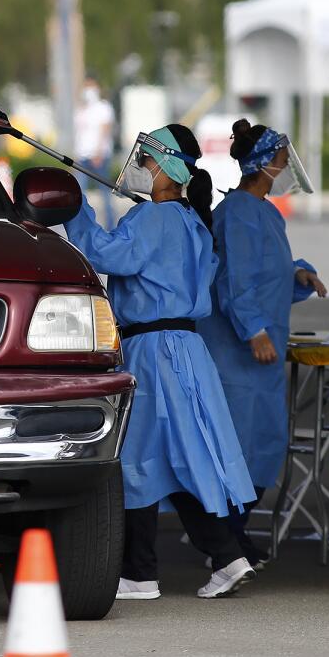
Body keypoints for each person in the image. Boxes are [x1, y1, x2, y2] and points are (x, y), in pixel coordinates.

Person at [63, 124, 257, 600]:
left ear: (168, 169)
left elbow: (104, 254)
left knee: (136, 456)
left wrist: (76, 209)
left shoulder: (155, 219)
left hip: (153, 350)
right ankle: (226, 556)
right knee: (180, 455)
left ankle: (140, 572)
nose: (139, 169)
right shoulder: (189, 218)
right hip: (184, 348)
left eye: (147, 162)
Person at [197, 119, 325, 567]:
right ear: (267, 162)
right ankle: (225, 544)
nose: (287, 165)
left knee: (262, 448)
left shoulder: (265, 213)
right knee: (237, 450)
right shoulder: (236, 214)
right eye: (283, 159)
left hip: (262, 355)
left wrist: (299, 274)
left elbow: (268, 273)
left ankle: (235, 537)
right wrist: (254, 330)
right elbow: (235, 281)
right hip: (239, 354)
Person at [73, 76, 117, 228]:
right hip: (83, 156)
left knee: (105, 193)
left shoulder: (103, 107)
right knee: (79, 192)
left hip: (100, 156)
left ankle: (111, 226)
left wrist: (98, 152)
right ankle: (81, 225)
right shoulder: (81, 110)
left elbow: (105, 130)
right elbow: (79, 134)